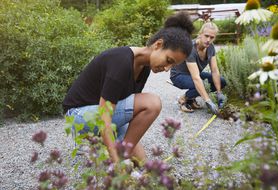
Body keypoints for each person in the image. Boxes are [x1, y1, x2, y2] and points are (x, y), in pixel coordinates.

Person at [63, 12, 194, 164]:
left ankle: (107, 150)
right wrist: (117, 162)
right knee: (152, 103)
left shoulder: (143, 67)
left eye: (173, 65)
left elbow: (127, 110)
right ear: (158, 45)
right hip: (78, 116)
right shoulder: (122, 62)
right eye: (168, 60)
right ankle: (111, 152)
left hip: (99, 114)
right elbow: (104, 116)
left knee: (142, 162)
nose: (167, 68)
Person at [170, 22, 226, 114]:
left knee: (222, 81)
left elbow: (215, 71)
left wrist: (219, 93)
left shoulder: (211, 48)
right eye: (206, 36)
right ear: (200, 34)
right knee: (202, 84)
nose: (208, 40)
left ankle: (190, 98)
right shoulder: (190, 48)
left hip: (193, 74)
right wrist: (208, 101)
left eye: (212, 37)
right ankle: (184, 99)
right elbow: (196, 78)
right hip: (179, 75)